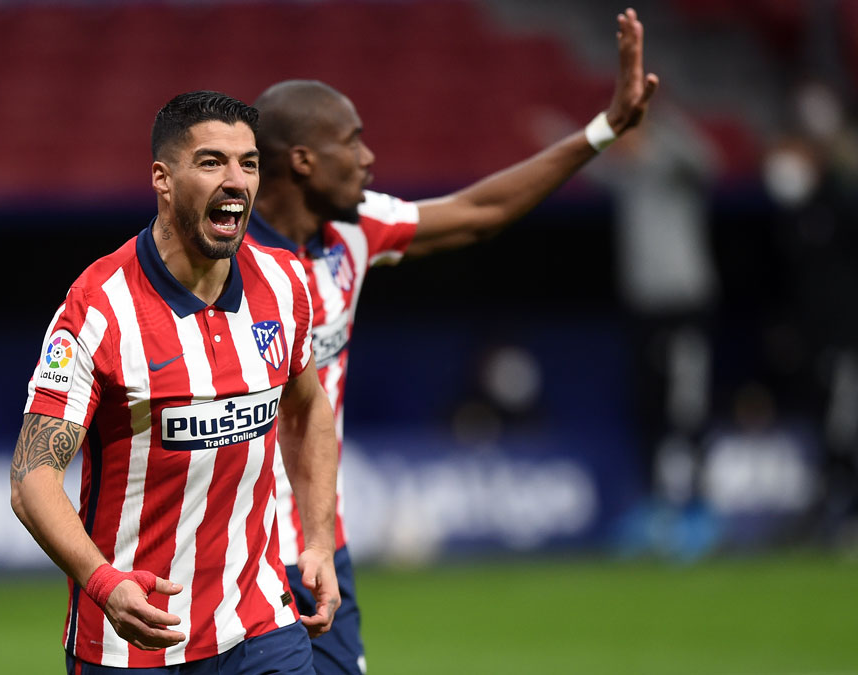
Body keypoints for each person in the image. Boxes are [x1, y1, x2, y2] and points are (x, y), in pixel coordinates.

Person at [247, 9, 659, 674]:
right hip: (232, 555)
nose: (368, 158)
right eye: (351, 143)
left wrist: (603, 130)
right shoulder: (218, 265)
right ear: (302, 160)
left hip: (320, 545)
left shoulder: (354, 230)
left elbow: (479, 212)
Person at [10, 91, 340, 674]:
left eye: (250, 163)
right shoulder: (99, 308)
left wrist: (317, 540)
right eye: (212, 162)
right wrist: (103, 582)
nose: (236, 180)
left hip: (261, 622)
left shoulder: (284, 282)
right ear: (163, 179)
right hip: (129, 645)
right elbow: (31, 476)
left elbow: (307, 408)